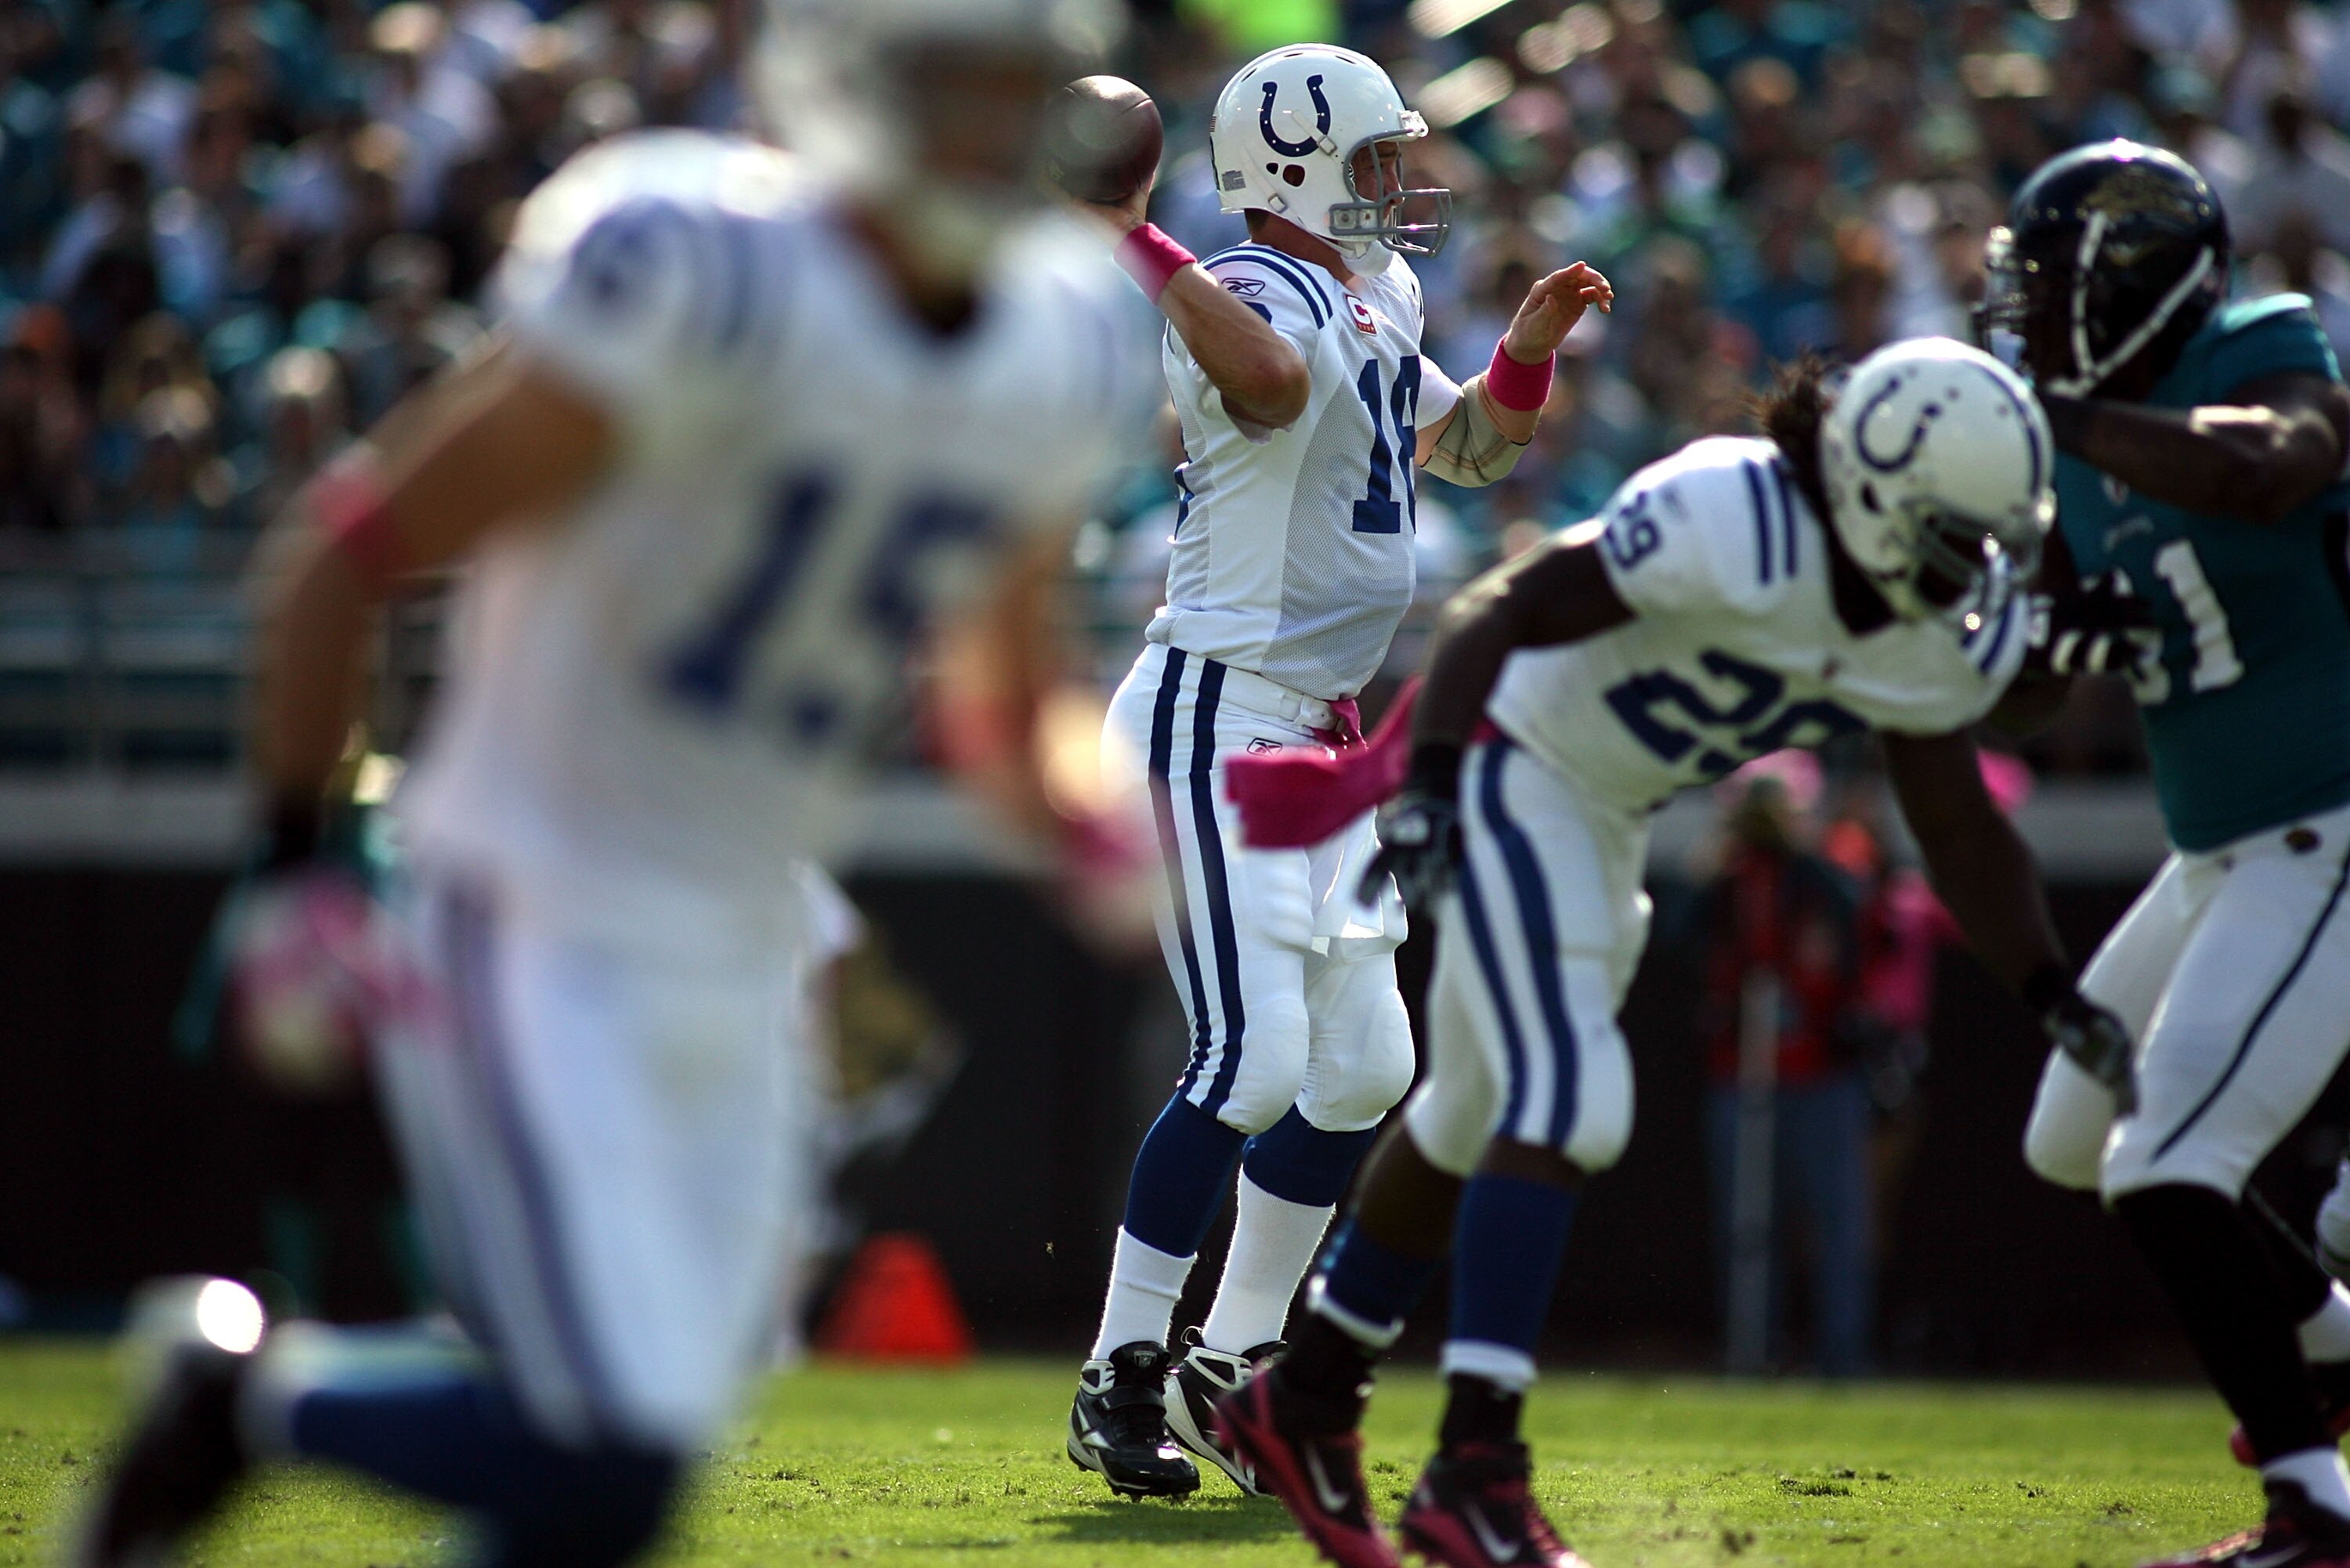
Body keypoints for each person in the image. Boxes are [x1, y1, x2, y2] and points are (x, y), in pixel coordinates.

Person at [74, 1, 1155, 1563]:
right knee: (609, 1452)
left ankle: (244, 1403)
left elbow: (1004, 696)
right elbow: (344, 558)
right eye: (951, 93)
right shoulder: (699, 263)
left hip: (743, 943)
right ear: (855, 92)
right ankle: (244, 1407)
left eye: (1014, 96)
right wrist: (294, 860)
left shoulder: (1061, 337)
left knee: (604, 1470)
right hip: (535, 891)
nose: (989, 138)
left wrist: (1102, 817)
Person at [1217, 337, 2133, 1568]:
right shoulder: (1731, 510)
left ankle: (1307, 1393)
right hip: (1510, 757)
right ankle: (1474, 1465)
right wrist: (1429, 784)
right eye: (1951, 534)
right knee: (1567, 1094)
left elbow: (1961, 824)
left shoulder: (1915, 622)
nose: (1966, 571)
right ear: (1870, 485)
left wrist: (2048, 985)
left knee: (1468, 1112)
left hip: (1606, 808)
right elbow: (1508, 604)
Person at [1061, 42, 1612, 1500]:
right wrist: (1128, 235)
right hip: (1215, 707)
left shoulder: (1377, 293)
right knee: (1255, 1059)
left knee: (1371, 1062)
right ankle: (1122, 1362)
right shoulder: (1250, 287)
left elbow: (1471, 450)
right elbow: (1260, 381)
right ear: (1297, 166)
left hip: (1321, 727)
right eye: (1375, 157)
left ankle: (1230, 1360)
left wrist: (1530, 351)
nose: (1398, 182)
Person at [1989, 140, 2350, 1568]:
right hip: (2218, 849)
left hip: (2326, 822)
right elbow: (2028, 679)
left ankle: (2314, 1507)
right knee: (2072, 1136)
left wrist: (2062, 421)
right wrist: (2038, 641)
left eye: (2048, 290)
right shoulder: (2082, 435)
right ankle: (2327, 1343)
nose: (2027, 323)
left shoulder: (2257, 342)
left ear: (2129, 285)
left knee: (2169, 1163)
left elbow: (2277, 468)